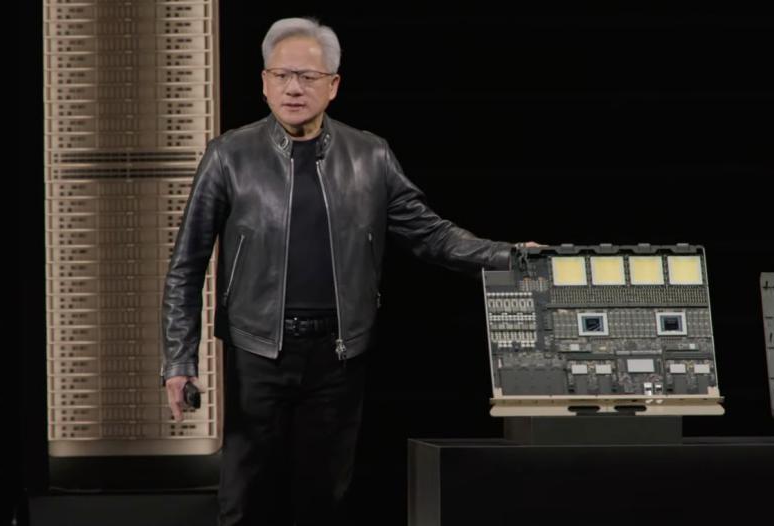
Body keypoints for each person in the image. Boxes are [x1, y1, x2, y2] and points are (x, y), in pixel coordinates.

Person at [160, 16, 538, 526]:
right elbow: (187, 264)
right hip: (256, 351)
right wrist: (179, 360)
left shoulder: (370, 156)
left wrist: (509, 256)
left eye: (308, 76)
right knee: (245, 500)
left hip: (338, 355)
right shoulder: (229, 155)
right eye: (281, 75)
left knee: (324, 500)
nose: (294, 88)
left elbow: (432, 235)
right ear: (264, 82)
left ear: (333, 85)